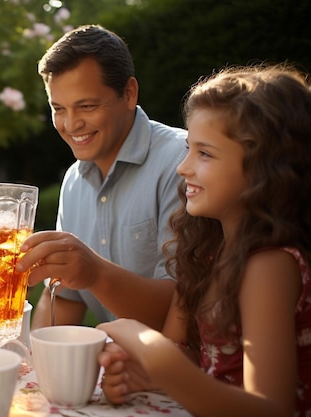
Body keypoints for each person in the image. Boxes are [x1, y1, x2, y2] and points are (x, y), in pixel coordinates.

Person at [97, 64, 311, 416]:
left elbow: (270, 408)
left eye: (205, 153)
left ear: (263, 168)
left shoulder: (270, 265)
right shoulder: (205, 251)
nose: (183, 167)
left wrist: (150, 348)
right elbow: (187, 357)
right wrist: (145, 373)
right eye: (188, 149)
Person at [15, 24, 187, 330]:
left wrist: (95, 273)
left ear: (129, 92)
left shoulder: (183, 162)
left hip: (183, 371)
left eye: (87, 106)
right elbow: (66, 299)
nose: (70, 124)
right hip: (119, 367)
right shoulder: (73, 182)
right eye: (59, 108)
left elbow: (184, 309)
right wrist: (30, 367)